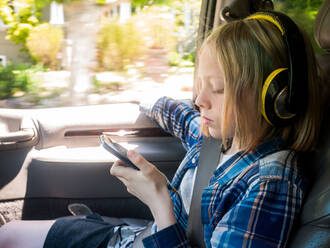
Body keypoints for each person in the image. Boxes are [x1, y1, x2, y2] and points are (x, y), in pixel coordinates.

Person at [0, 11, 326, 248]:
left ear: (276, 99)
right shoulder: (215, 137)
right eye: (199, 85)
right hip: (134, 237)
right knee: (9, 234)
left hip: (153, 235)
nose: (200, 100)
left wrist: (159, 201)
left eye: (217, 88)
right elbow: (178, 113)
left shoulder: (269, 185)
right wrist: (147, 97)